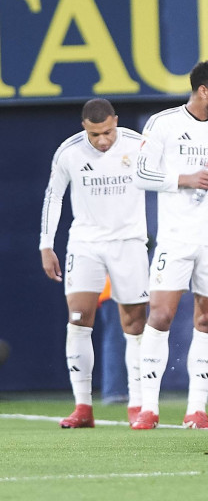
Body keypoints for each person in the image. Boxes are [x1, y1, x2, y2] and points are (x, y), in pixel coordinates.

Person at [132, 61, 208, 430]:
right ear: (203, 91)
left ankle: (196, 410)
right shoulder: (163, 123)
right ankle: (148, 408)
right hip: (176, 236)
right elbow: (140, 174)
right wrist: (185, 178)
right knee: (161, 316)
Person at [40, 98, 149, 428]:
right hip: (86, 244)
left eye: (107, 132)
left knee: (134, 323)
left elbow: (167, 180)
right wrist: (46, 245)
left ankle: (138, 404)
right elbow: (53, 196)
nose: (102, 140)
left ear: (115, 121)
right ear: (83, 127)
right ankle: (82, 407)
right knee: (78, 319)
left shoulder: (139, 144)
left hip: (129, 243)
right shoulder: (69, 152)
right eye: (94, 134)